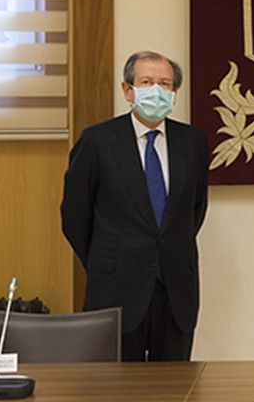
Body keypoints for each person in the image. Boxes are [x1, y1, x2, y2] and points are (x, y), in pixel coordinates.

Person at [61, 50, 209, 361]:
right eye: (147, 81)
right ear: (128, 90)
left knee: (173, 388)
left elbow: (194, 210)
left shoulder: (193, 142)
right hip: (116, 288)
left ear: (174, 93)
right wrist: (109, 257)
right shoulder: (97, 141)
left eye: (165, 84)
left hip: (175, 291)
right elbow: (75, 216)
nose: (157, 90)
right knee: (114, 389)